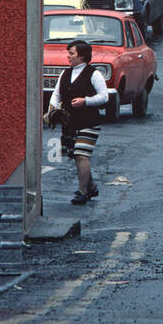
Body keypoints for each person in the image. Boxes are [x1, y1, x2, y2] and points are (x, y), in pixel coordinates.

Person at [44, 39, 109, 205]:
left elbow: (104, 96)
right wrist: (51, 110)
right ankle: (92, 187)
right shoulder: (65, 73)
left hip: (89, 122)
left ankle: (82, 192)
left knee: (81, 154)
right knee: (77, 156)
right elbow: (56, 94)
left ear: (81, 56)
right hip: (70, 123)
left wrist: (85, 101)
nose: (68, 56)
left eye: (71, 53)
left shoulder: (94, 74)